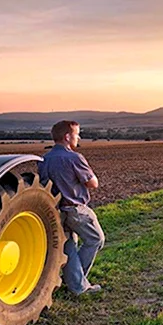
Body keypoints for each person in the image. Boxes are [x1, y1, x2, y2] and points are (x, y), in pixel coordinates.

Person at [39, 120, 105, 295]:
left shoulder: (44, 159)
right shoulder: (74, 157)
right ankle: (78, 284)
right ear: (67, 137)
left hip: (55, 211)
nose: (79, 137)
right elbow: (93, 183)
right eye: (77, 134)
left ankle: (75, 283)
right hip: (75, 209)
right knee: (95, 239)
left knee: (69, 247)